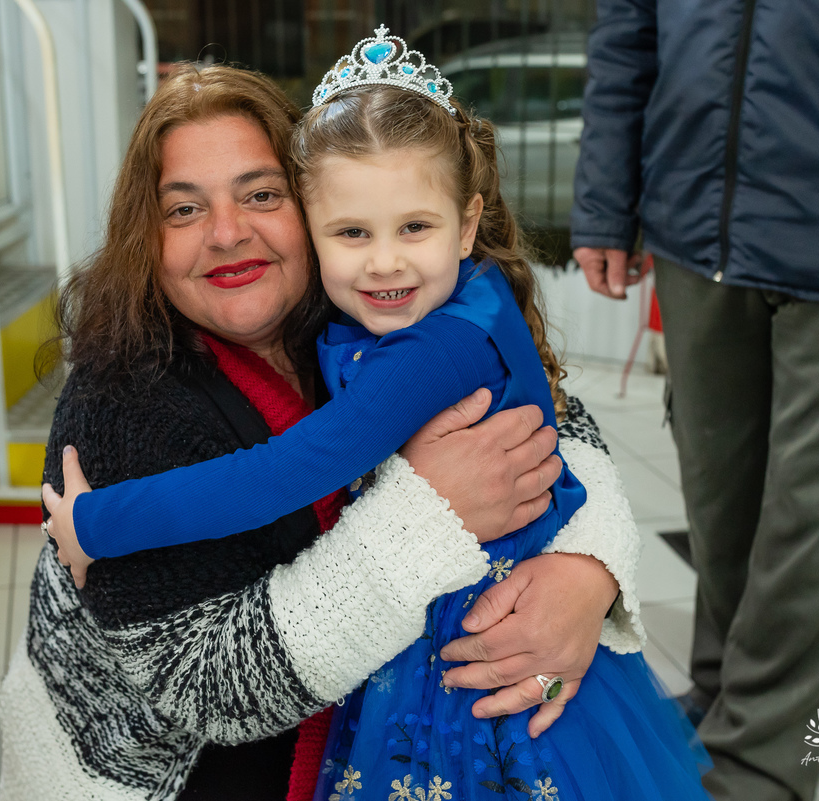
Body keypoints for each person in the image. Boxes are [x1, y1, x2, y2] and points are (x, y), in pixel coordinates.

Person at [42, 28, 709, 800]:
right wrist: (432, 507)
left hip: (474, 685)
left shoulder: (373, 304)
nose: (228, 232)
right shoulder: (123, 398)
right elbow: (212, 691)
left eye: (260, 194)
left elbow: (558, 421)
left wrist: (586, 569)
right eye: (184, 207)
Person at [571, 2, 819, 799]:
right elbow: (627, 34)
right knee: (723, 504)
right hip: (695, 229)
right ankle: (719, 701)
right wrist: (609, 195)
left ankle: (754, 771)